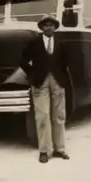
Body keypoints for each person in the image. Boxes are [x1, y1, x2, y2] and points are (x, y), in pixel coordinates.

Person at [20, 14, 70, 163]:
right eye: (46, 25)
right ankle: (44, 151)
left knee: (59, 116)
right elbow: (22, 60)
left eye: (51, 24)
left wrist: (61, 78)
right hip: (40, 83)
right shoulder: (34, 43)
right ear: (41, 28)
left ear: (55, 28)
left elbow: (66, 63)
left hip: (57, 83)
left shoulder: (61, 43)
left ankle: (59, 149)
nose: (49, 27)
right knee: (42, 116)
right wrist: (32, 74)